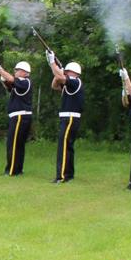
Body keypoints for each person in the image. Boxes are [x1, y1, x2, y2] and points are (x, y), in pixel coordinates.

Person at [0, 58, 32, 176]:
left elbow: (11, 79)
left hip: (20, 116)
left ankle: (12, 170)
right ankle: (18, 169)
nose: (16, 71)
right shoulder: (20, 83)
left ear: (25, 72)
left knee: (13, 143)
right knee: (18, 144)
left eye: (18, 70)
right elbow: (9, 84)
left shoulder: (25, 82)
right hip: (21, 116)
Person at [48, 55, 84, 183]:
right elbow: (54, 85)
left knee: (63, 147)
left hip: (70, 118)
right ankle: (69, 174)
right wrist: (58, 69)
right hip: (69, 118)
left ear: (72, 72)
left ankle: (62, 176)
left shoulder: (75, 81)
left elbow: (60, 78)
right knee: (68, 146)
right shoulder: (69, 83)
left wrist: (52, 63)